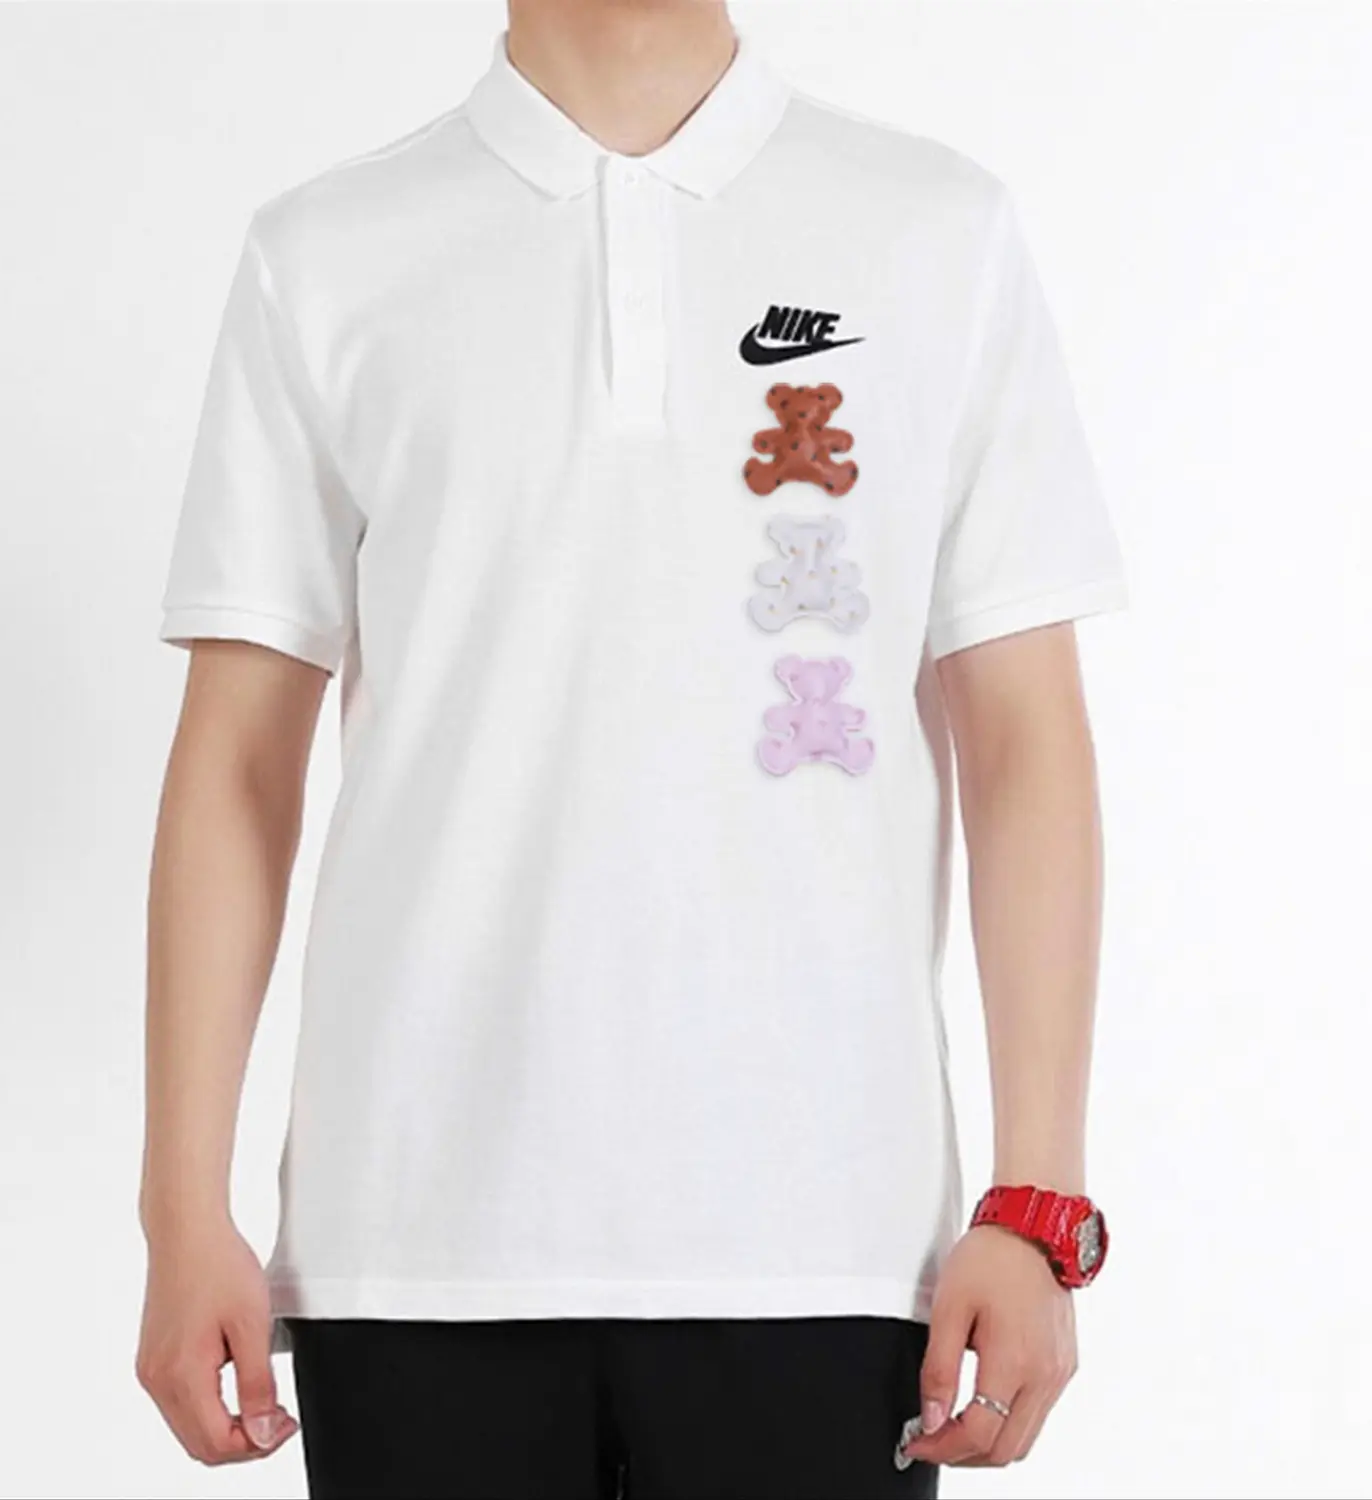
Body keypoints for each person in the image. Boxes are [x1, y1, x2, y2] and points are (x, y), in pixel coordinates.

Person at [136, 1, 1125, 1495]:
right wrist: (180, 1206)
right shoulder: (326, 255)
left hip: (829, 1249)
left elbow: (1026, 738)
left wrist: (1037, 1198)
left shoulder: (937, 233)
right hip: (413, 1249)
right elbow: (236, 764)